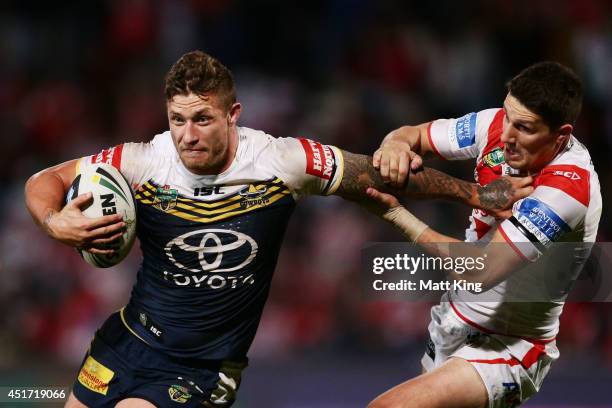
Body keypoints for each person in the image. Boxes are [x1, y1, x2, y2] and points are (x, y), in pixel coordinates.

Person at [25, 50, 529, 408]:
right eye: (177, 120)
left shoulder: (281, 160)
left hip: (202, 368)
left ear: (233, 115)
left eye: (202, 118)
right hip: (128, 338)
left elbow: (378, 172)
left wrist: (475, 194)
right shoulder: (142, 161)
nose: (188, 135)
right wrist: (55, 221)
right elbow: (45, 180)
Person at [367, 61, 602, 408]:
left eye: (524, 128)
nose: (506, 134)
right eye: (508, 116)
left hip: (509, 346)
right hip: (452, 322)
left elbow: (480, 271)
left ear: (561, 135)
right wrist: (394, 145)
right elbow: (412, 134)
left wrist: (395, 214)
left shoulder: (568, 188)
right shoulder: (495, 124)